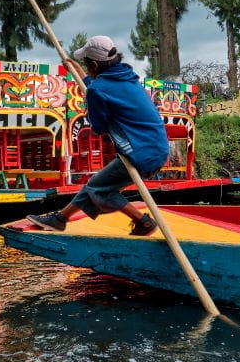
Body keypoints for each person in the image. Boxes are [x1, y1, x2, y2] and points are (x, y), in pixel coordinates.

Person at [27, 35, 169, 236]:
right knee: (95, 185)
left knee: (99, 189)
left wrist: (92, 103)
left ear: (94, 65)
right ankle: (59, 219)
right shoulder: (126, 76)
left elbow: (99, 127)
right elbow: (103, 89)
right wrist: (79, 73)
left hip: (140, 152)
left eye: (87, 66)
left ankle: (143, 222)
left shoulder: (97, 90)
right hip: (156, 147)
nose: (87, 70)